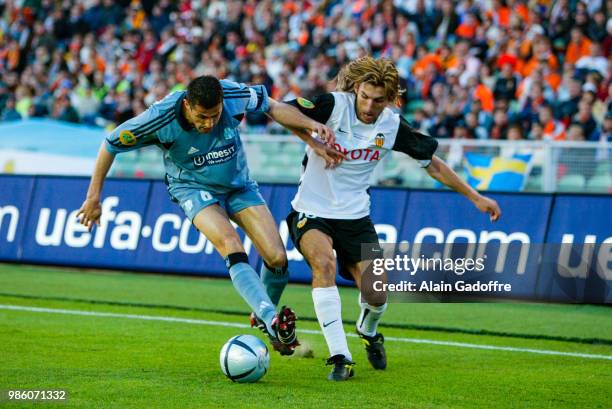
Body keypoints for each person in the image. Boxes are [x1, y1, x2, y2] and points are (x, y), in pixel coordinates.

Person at [77, 75, 343, 356]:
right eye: (202, 117)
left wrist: (312, 129)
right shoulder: (159, 118)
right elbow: (111, 143)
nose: (209, 123)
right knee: (231, 244)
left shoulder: (231, 94)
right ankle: (271, 319)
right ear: (188, 105)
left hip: (239, 186)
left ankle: (266, 317)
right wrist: (93, 197)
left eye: (215, 116)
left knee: (277, 258)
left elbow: (273, 106)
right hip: (192, 187)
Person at [284, 57, 501, 380]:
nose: (370, 106)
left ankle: (368, 331)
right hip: (311, 210)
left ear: (390, 99)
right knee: (323, 264)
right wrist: (312, 141)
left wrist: (476, 196)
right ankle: (340, 357)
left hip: (357, 218)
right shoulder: (333, 105)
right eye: (366, 97)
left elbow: (433, 163)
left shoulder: (391, 125)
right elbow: (281, 110)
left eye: (379, 100)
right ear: (356, 89)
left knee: (377, 292)